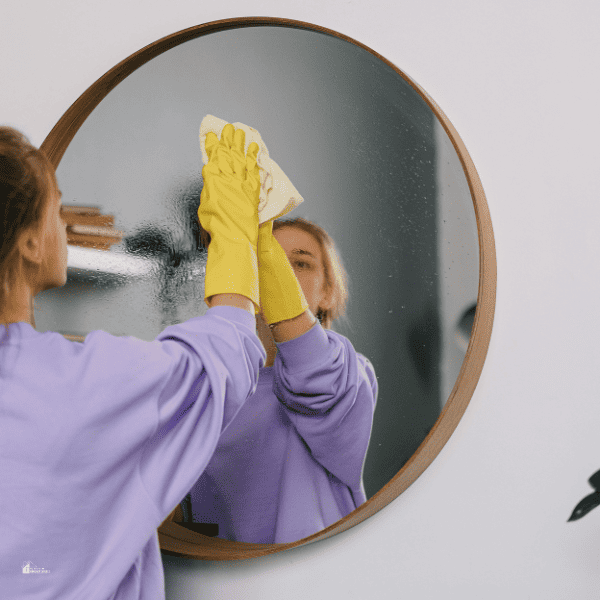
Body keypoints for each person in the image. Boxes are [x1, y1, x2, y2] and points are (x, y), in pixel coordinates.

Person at [0, 124, 310, 599]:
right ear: (28, 243)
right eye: (55, 207)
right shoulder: (84, 383)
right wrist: (233, 231)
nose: (61, 222)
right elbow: (223, 357)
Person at [183, 215, 378, 544]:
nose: (282, 275)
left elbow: (316, 378)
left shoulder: (351, 375)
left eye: (301, 264)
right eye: (266, 261)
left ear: (328, 294)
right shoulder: (207, 384)